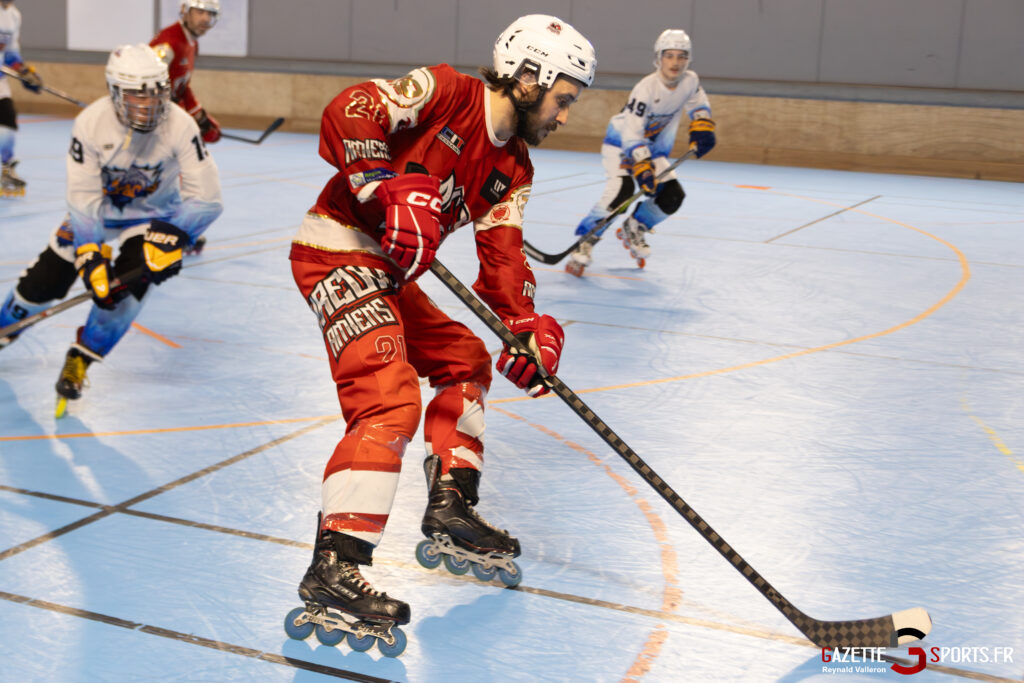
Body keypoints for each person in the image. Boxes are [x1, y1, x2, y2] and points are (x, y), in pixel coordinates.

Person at [284, 14, 595, 648]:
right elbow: (354, 107)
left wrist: (526, 327)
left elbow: (504, 257)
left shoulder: (515, 168)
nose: (565, 116)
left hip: (390, 270)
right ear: (530, 77)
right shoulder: (449, 91)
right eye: (564, 99)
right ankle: (336, 566)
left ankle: (451, 504)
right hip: (337, 247)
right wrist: (384, 186)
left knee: (466, 357)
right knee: (387, 397)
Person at [0, 44, 222, 418]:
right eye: (136, 94)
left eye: (155, 93)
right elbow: (83, 195)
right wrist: (90, 256)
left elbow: (207, 198)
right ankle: (7, 327)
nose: (147, 104)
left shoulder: (181, 125)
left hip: (151, 217)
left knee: (124, 292)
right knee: (42, 285)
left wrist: (176, 236)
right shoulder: (90, 123)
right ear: (114, 90)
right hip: (99, 213)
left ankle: (81, 358)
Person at [565, 28, 716, 276]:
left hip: (654, 151)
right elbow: (632, 133)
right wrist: (641, 165)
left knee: (673, 196)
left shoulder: (690, 82)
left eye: (681, 56)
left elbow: (699, 105)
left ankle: (636, 225)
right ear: (658, 58)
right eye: (669, 56)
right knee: (623, 192)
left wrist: (702, 127)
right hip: (621, 146)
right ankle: (587, 240)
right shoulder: (646, 89)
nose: (675, 63)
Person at [150, 0, 221, 145]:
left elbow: (182, 87)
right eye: (200, 12)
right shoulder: (168, 43)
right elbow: (147, 86)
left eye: (210, 13)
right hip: (154, 124)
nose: (206, 19)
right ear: (184, 10)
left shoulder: (192, 43)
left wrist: (199, 115)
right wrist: (180, 115)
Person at [0, 0, 43, 197]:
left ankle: (6, 169)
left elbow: (10, 54)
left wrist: (24, 72)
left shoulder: (14, 15)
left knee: (7, 121)